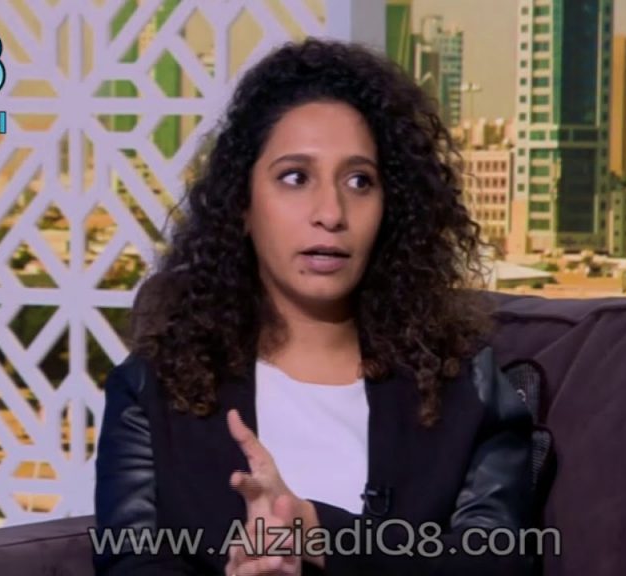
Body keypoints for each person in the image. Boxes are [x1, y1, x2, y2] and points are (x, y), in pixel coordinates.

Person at [93, 37, 537, 576]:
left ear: (392, 210)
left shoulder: (465, 385)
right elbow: (130, 562)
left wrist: (320, 535)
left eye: (359, 181)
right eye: (295, 177)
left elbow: (498, 563)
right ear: (242, 206)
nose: (331, 212)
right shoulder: (153, 390)